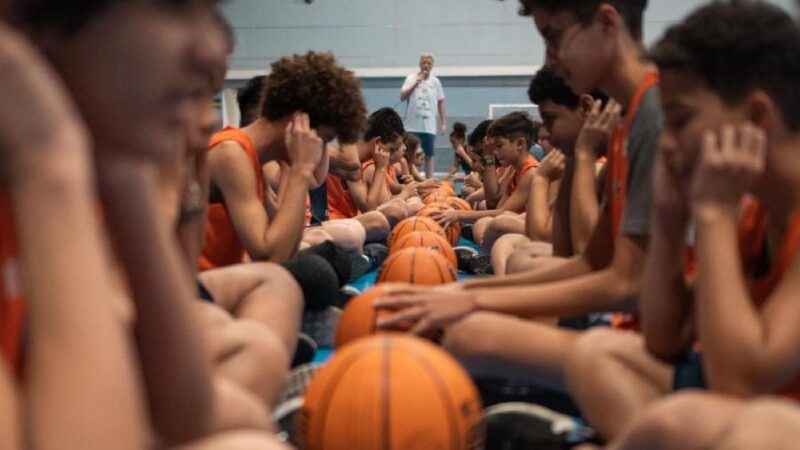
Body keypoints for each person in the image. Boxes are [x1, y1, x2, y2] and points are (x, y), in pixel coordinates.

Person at [5, 0, 291, 448]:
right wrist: (52, 171)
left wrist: (126, 174)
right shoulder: (49, 160)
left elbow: (188, 414)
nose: (214, 51)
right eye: (174, 9)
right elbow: (268, 246)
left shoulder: (91, 150)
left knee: (248, 405)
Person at [376, 0, 660, 436]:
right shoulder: (628, 121)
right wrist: (477, 294)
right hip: (630, 328)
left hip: (652, 344)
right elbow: (587, 261)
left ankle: (559, 424)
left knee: (473, 330)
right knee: (474, 320)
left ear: (606, 23)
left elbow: (621, 280)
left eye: (553, 37)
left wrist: (474, 298)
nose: (549, 59)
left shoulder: (656, 119)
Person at [564, 0, 800, 443]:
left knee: (736, 424)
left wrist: (712, 213)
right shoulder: (756, 213)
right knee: (598, 354)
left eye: (680, 121)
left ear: (756, 119)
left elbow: (739, 384)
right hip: (753, 409)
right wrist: (670, 221)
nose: (668, 144)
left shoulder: (736, 210)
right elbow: (665, 337)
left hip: (767, 421)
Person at [200, 51, 367, 269]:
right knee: (310, 276)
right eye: (324, 140)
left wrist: (295, 169)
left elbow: (287, 247)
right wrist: (299, 170)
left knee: (314, 271)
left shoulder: (252, 160)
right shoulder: (231, 153)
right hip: (196, 290)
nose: (319, 151)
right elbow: (271, 258)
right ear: (298, 121)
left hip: (226, 281)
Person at [400, 52, 447, 178]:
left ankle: (429, 180)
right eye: (424, 62)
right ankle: (409, 178)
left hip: (428, 127)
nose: (426, 65)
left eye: (429, 63)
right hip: (411, 126)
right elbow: (402, 96)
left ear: (432, 65)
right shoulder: (411, 78)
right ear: (419, 64)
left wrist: (443, 123)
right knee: (409, 154)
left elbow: (441, 102)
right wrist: (416, 83)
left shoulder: (436, 82)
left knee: (429, 155)